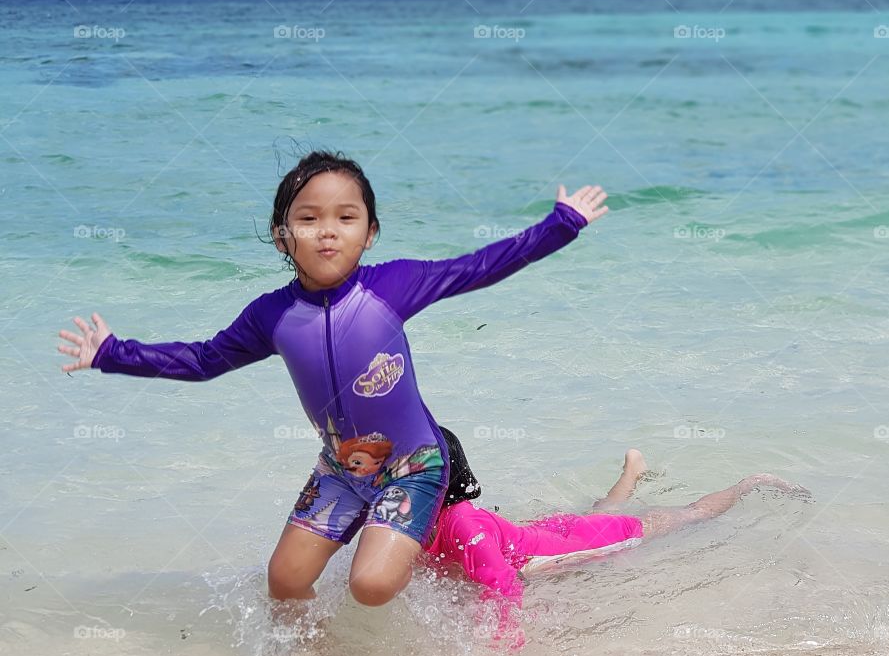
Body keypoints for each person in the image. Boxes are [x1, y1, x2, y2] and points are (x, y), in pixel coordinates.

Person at [56, 150, 608, 630]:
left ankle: (429, 548)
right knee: (284, 579)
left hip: (414, 465)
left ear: (369, 233)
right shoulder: (270, 315)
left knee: (370, 585)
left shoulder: (394, 284)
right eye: (308, 218)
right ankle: (308, 655)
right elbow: (203, 359)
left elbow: (480, 267)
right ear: (282, 236)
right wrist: (112, 353)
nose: (327, 230)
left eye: (346, 217)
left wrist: (562, 224)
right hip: (343, 466)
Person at [423, 448, 810, 649]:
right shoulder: (427, 519)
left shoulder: (462, 523)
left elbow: (505, 586)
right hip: (551, 534)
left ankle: (749, 483)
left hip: (590, 540)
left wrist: (503, 649)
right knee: (597, 514)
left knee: (690, 515)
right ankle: (633, 470)